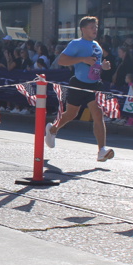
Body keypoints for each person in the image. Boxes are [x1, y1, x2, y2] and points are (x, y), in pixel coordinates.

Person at [45, 16, 115, 162]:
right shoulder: (76, 43)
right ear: (83, 29)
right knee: (71, 114)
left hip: (94, 84)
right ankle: (53, 129)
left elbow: (94, 65)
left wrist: (103, 67)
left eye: (96, 27)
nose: (95, 30)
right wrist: (82, 59)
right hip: (79, 83)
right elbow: (62, 60)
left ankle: (101, 150)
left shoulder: (96, 45)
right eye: (91, 27)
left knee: (98, 114)